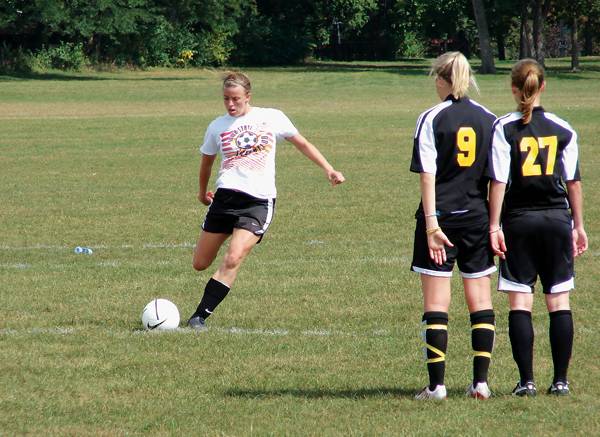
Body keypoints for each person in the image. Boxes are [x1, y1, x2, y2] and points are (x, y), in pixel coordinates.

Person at [187, 72, 345, 330]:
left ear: (248, 96)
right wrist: (202, 192)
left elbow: (302, 143)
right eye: (226, 99)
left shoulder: (271, 117)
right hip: (225, 198)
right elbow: (206, 162)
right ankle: (226, 236)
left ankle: (199, 316)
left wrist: (329, 169)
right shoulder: (217, 126)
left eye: (236, 99)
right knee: (200, 263)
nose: (230, 104)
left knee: (234, 257)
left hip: (258, 203)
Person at [488, 59, 588, 396]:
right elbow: (573, 183)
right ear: (543, 86)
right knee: (558, 302)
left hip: (519, 222)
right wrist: (579, 225)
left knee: (520, 301)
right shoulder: (564, 128)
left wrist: (493, 225)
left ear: (514, 89)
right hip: (557, 220)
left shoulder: (503, 128)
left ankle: (526, 381)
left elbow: (499, 181)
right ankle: (560, 381)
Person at [410, 52, 497, 400]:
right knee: (480, 300)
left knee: (437, 303)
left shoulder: (431, 118)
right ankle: (481, 384)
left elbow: (428, 176)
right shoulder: (489, 118)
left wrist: (431, 224)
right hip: (477, 217)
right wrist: (493, 223)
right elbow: (496, 178)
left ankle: (437, 386)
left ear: (442, 79)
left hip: (441, 220)